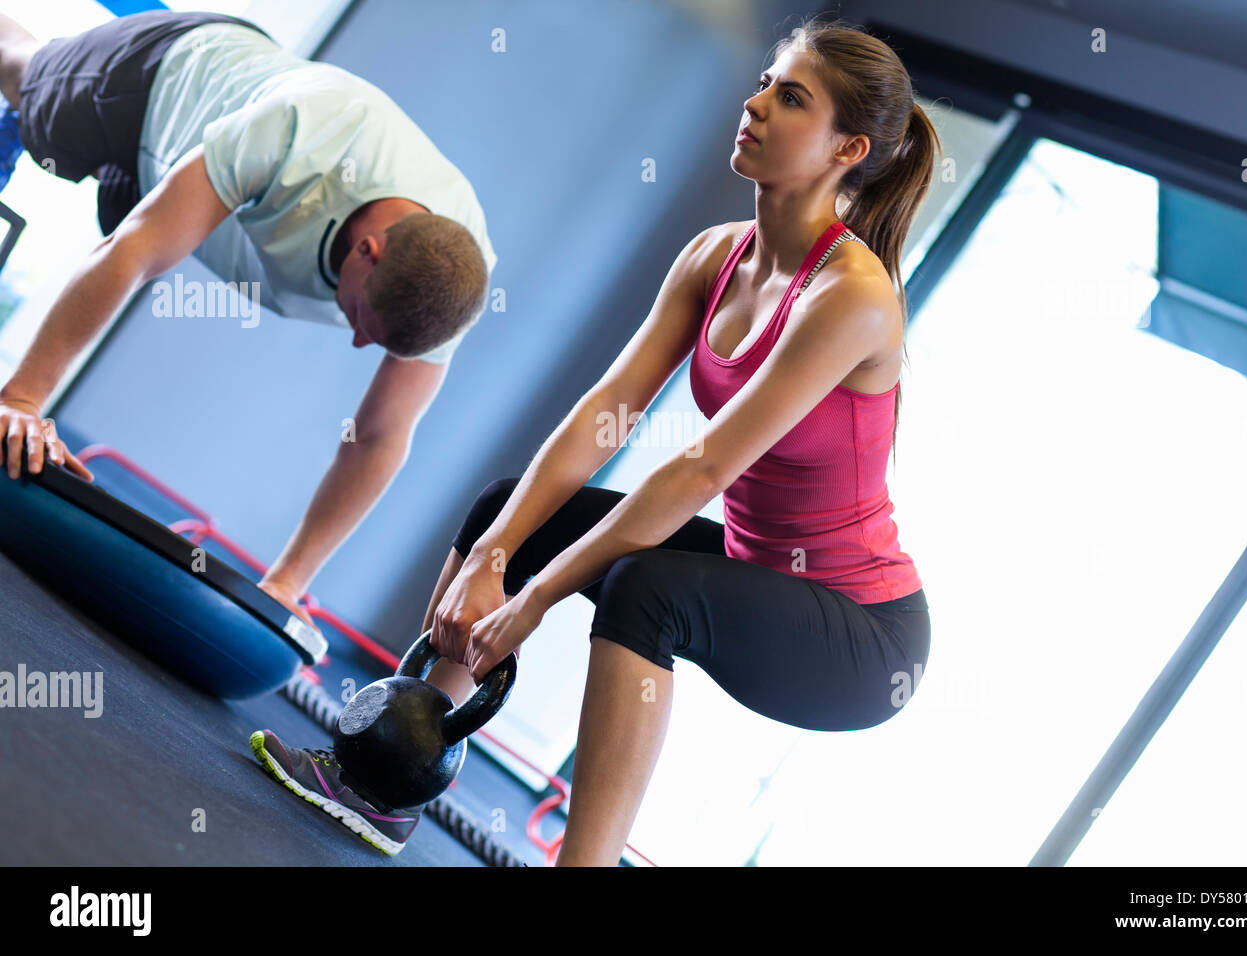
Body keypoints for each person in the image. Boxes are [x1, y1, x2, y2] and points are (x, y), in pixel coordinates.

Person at [252, 16, 939, 865]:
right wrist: (494, 556)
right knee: (509, 511)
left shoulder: (852, 298)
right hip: (750, 563)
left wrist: (531, 600)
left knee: (645, 589)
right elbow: (605, 410)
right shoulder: (714, 257)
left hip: (861, 637)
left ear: (847, 149)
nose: (755, 103)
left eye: (790, 97)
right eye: (765, 80)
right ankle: (384, 780)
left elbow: (700, 469)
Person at [0, 10, 496, 628]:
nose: (357, 339)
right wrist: (21, 400)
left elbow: (379, 436)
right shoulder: (306, 130)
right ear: (369, 253)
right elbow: (134, 253)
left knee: (128, 203)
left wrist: (288, 583)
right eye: (363, 319)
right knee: (23, 76)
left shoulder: (449, 275)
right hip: (160, 82)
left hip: (174, 182)